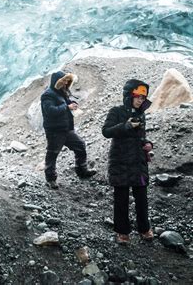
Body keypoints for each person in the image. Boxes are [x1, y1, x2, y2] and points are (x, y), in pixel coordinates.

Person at [102, 79, 154, 245]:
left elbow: (141, 136)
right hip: (121, 161)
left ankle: (144, 228)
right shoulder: (116, 111)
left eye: (143, 98)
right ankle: (122, 232)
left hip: (138, 162)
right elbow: (106, 131)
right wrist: (125, 126)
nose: (141, 100)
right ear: (129, 95)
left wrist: (148, 144)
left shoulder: (141, 113)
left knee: (142, 197)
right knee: (121, 198)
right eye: (138, 96)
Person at [41, 70, 96, 189]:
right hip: (55, 131)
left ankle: (82, 171)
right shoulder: (47, 95)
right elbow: (50, 111)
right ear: (57, 82)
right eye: (64, 81)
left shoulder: (62, 92)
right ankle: (51, 179)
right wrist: (67, 107)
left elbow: (67, 103)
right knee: (53, 153)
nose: (66, 83)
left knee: (80, 145)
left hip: (67, 129)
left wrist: (72, 104)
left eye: (67, 81)